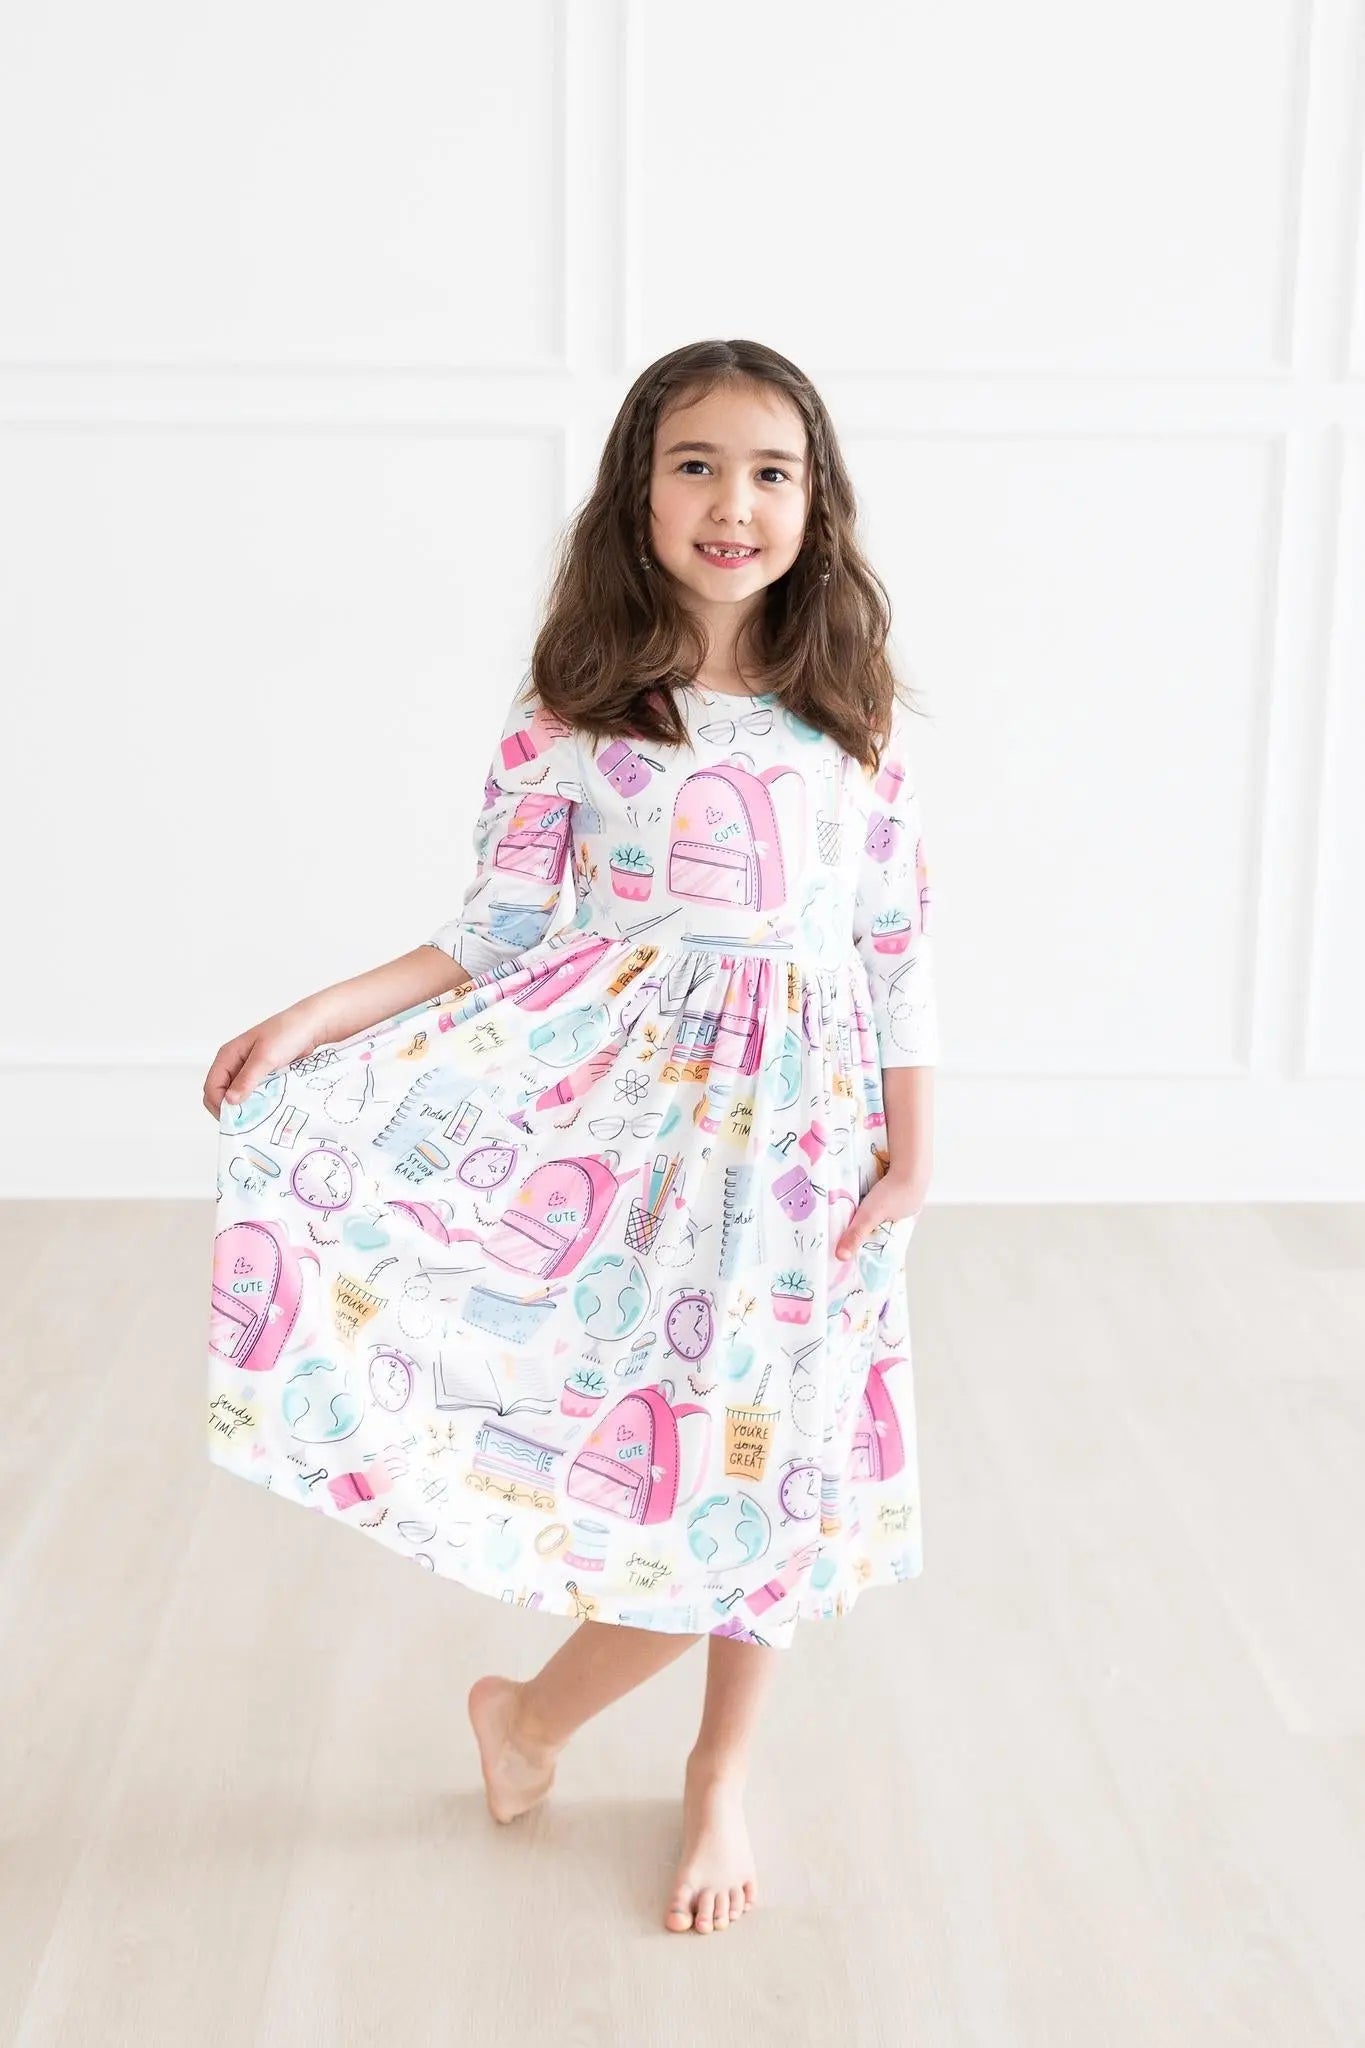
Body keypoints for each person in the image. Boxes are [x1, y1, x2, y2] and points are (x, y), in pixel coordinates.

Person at [202, 337, 940, 1936]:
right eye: (695, 465)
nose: (731, 502)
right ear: (638, 490)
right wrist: (319, 1018)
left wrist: (913, 1148)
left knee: (783, 1470)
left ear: (813, 503)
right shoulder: (576, 713)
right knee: (702, 1482)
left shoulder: (848, 708)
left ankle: (715, 1774)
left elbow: (895, 947)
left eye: (769, 471)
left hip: (808, 1149)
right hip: (649, 1141)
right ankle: (530, 1717)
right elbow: (493, 933)